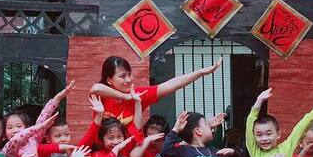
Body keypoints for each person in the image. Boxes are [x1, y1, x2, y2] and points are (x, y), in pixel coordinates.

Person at [90, 56, 222, 127]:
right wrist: (126, 97)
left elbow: (170, 85)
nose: (128, 80)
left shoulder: (138, 94)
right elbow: (95, 88)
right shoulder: (102, 96)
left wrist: (200, 73)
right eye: (122, 76)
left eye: (129, 74)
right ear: (109, 80)